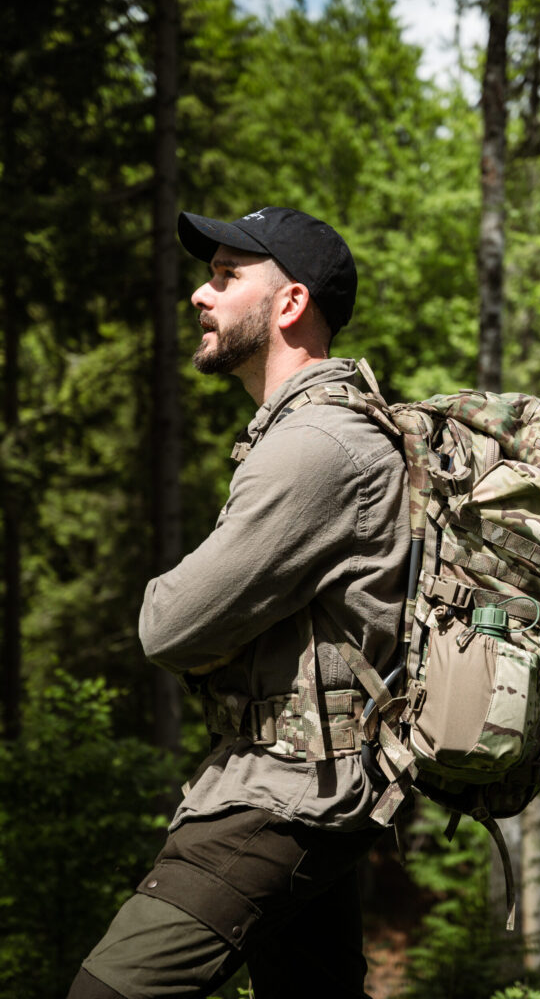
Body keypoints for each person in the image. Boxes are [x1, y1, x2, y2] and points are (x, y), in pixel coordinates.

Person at [67, 206, 411, 999]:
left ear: (289, 305)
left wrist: (175, 600)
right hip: (318, 786)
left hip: (285, 795)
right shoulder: (316, 430)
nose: (199, 293)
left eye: (225, 276)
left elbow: (171, 624)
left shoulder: (314, 447)